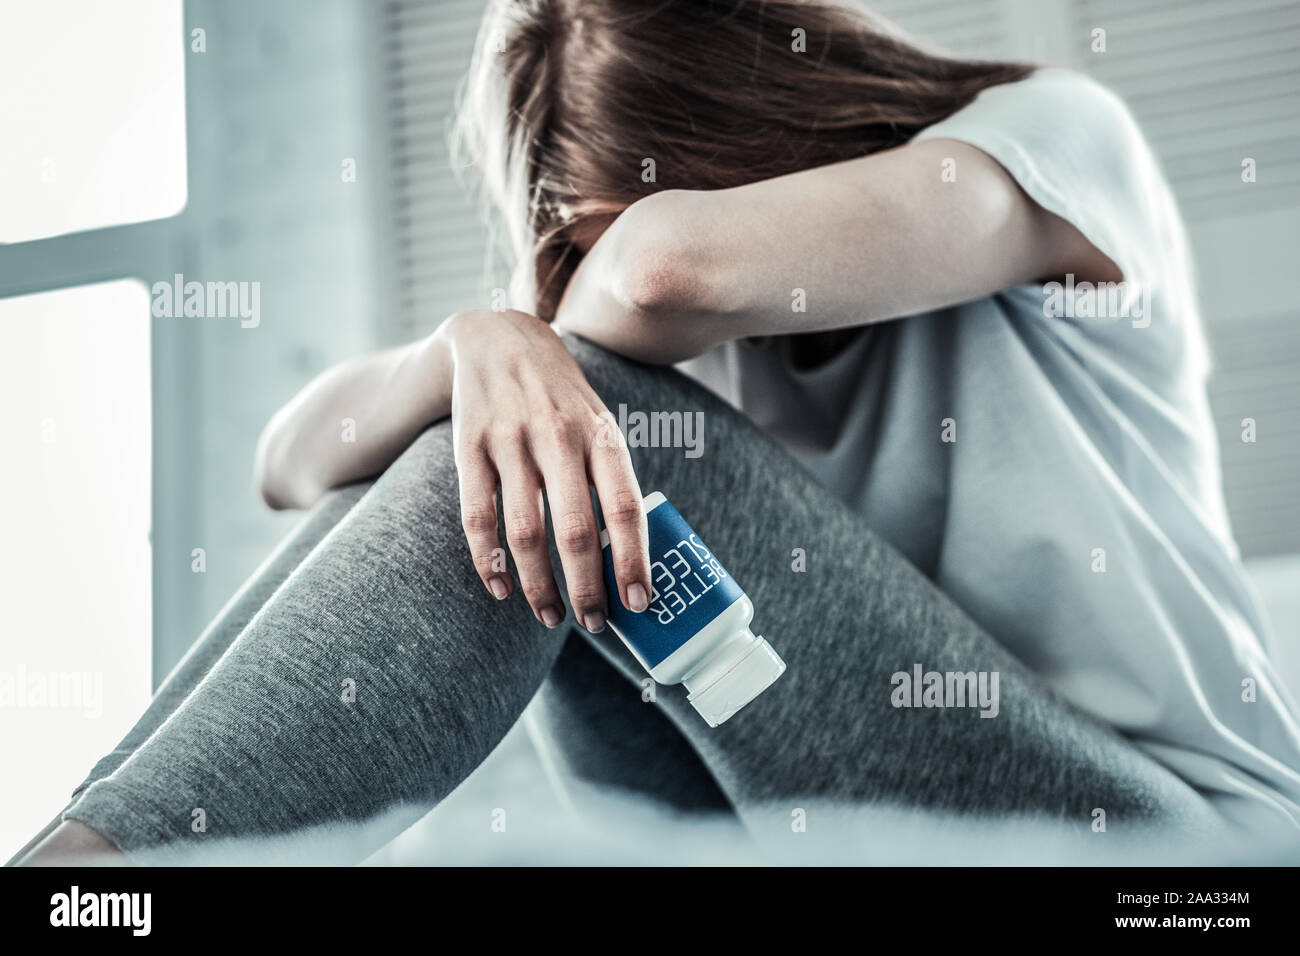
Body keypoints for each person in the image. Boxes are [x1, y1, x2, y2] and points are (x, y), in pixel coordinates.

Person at [17, 0, 1300, 865]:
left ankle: (101, 874)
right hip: (790, 802)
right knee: (518, 441)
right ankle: (84, 864)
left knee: (568, 417)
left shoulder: (1057, 140)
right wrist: (471, 346)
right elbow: (287, 461)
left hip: (1171, 847)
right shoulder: (678, 350)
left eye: (613, 218)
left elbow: (668, 270)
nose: (592, 270)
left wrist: (547, 345)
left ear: (772, 129)